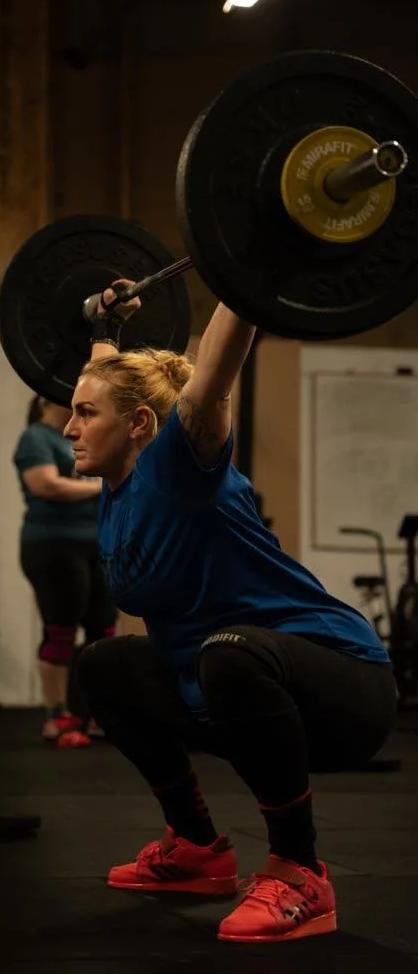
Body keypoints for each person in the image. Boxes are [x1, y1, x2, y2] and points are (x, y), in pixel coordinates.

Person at [63, 281, 397, 942]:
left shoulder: (178, 465)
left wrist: (244, 270)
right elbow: (102, 377)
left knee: (228, 653)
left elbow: (212, 378)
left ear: (137, 425)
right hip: (231, 687)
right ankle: (195, 849)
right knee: (101, 665)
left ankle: (299, 870)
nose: (69, 427)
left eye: (83, 414)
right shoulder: (114, 486)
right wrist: (106, 326)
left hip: (342, 688)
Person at [13, 394, 118, 747]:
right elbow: (45, 484)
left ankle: (90, 715)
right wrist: (98, 487)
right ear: (45, 399)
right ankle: (55, 717)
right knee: (60, 631)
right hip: (52, 546)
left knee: (102, 631)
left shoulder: (82, 437)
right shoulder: (36, 438)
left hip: (97, 545)